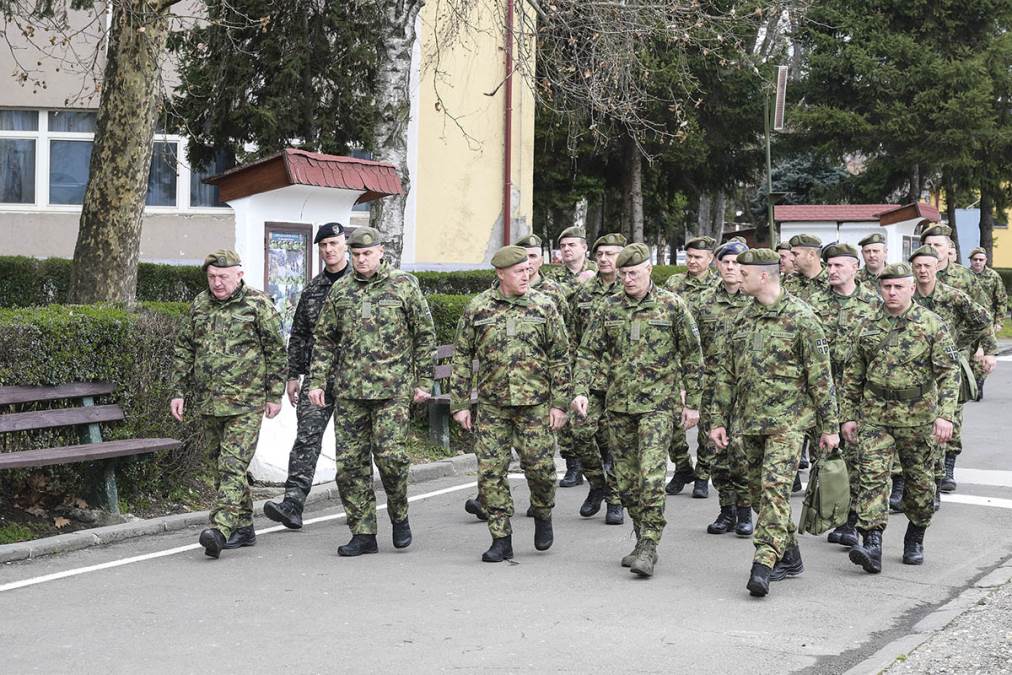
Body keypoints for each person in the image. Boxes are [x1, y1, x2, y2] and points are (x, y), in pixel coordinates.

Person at [708, 248, 839, 598]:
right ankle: (790, 554)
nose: (736, 273)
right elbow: (725, 375)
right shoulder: (739, 319)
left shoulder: (802, 318)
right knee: (755, 493)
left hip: (788, 424)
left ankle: (763, 563)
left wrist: (829, 427)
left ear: (764, 276)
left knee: (774, 491)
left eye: (744, 271)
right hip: (746, 424)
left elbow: (821, 378)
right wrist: (718, 420)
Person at [573, 243, 703, 578]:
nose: (628, 279)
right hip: (619, 408)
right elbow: (588, 351)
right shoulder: (608, 308)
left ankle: (649, 543)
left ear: (649, 269)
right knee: (627, 483)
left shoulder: (671, 306)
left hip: (658, 408)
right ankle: (639, 533)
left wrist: (693, 404)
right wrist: (581, 391)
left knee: (651, 477)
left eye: (634, 273)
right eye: (623, 274)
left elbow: (692, 356)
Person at [305, 227, 436, 557]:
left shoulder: (403, 286)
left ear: (380, 253)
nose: (361, 260)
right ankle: (363, 531)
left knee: (391, 459)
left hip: (392, 391)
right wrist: (317, 381)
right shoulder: (342, 291)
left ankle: (399, 514)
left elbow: (424, 336)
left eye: (367, 254)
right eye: (356, 254)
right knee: (349, 466)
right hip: (350, 392)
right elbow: (324, 339)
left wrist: (423, 381)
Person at [451, 245, 570, 563]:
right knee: (490, 473)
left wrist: (560, 404)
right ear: (500, 274)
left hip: (535, 406)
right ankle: (500, 537)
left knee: (541, 470)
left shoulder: (544, 306)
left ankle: (543, 513)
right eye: (518, 271)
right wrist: (460, 403)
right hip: (493, 406)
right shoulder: (479, 308)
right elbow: (463, 357)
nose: (526, 275)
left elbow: (560, 357)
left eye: (528, 270)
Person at [841, 263, 960, 572]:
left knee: (920, 485)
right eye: (886, 287)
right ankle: (872, 544)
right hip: (875, 416)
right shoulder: (867, 325)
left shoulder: (932, 324)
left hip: (918, 418)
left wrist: (945, 417)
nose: (891, 292)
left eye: (898, 287)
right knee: (871, 480)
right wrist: (848, 416)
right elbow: (853, 376)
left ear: (910, 288)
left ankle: (915, 536)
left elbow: (949, 375)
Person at [170, 249, 286, 559]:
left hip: (246, 403)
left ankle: (219, 529)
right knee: (220, 468)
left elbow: (276, 350)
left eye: (223, 277)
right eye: (211, 277)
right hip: (210, 402)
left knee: (232, 465)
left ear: (239, 274)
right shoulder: (200, 305)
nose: (217, 283)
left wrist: (275, 394)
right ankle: (245, 527)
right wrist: (178, 391)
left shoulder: (258, 304)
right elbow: (185, 349)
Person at [263, 223, 350, 529]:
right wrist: (292, 376)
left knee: (352, 445)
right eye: (324, 245)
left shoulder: (363, 284)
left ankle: (356, 504)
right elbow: (299, 334)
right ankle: (293, 502)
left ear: (345, 245)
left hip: (358, 380)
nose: (329, 250)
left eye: (334, 243)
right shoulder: (313, 290)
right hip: (318, 379)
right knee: (306, 439)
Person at [907, 245, 995, 500]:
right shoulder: (908, 295)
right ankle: (916, 483)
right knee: (917, 426)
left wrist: (959, 342)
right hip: (915, 369)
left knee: (947, 421)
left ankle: (942, 473)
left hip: (946, 368)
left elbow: (982, 319)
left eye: (927, 265)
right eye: (918, 266)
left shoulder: (953, 296)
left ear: (937, 267)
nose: (923, 270)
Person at [807, 243, 881, 547]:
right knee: (825, 455)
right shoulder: (813, 303)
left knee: (857, 456)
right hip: (823, 391)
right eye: (829, 265)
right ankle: (833, 512)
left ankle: (853, 520)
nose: (832, 271)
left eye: (839, 265)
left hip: (859, 393)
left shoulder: (873, 303)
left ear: (855, 268)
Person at [567, 233, 627, 525]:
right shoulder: (584, 292)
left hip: (621, 380)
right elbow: (574, 337)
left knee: (616, 441)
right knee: (580, 433)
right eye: (600, 253)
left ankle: (615, 499)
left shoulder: (631, 289)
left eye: (611, 254)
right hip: (589, 379)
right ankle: (597, 484)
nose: (604, 259)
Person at [695, 241, 753, 536]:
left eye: (736, 262)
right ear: (716, 264)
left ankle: (745, 511)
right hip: (712, 391)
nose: (730, 267)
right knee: (715, 452)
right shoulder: (704, 302)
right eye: (725, 262)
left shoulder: (756, 300)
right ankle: (726, 510)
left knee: (741, 453)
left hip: (746, 392)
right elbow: (691, 349)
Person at [515, 233, 581, 487]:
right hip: (515, 376)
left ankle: (570, 466)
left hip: (544, 374)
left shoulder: (552, 291)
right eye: (523, 257)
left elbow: (567, 333)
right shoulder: (505, 289)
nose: (528, 263)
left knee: (544, 433)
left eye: (532, 256)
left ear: (541, 260)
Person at [664, 235, 717, 498]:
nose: (693, 261)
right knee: (673, 421)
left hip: (709, 364)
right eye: (690, 256)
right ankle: (683, 466)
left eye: (698, 257)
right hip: (677, 362)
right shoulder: (674, 284)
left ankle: (703, 474)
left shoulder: (719, 286)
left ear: (711, 259)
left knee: (707, 423)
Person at [968, 246, 1008, 397]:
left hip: (986, 323)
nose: (978, 262)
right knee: (970, 354)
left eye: (981, 260)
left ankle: (979, 380)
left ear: (985, 261)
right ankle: (971, 381)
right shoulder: (964, 275)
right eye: (975, 259)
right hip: (967, 323)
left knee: (985, 354)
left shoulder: (993, 276)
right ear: (970, 261)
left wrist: (999, 321)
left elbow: (1001, 300)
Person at [785, 233, 829, 303]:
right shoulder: (790, 281)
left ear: (811, 255)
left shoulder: (832, 281)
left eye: (795, 254)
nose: (791, 259)